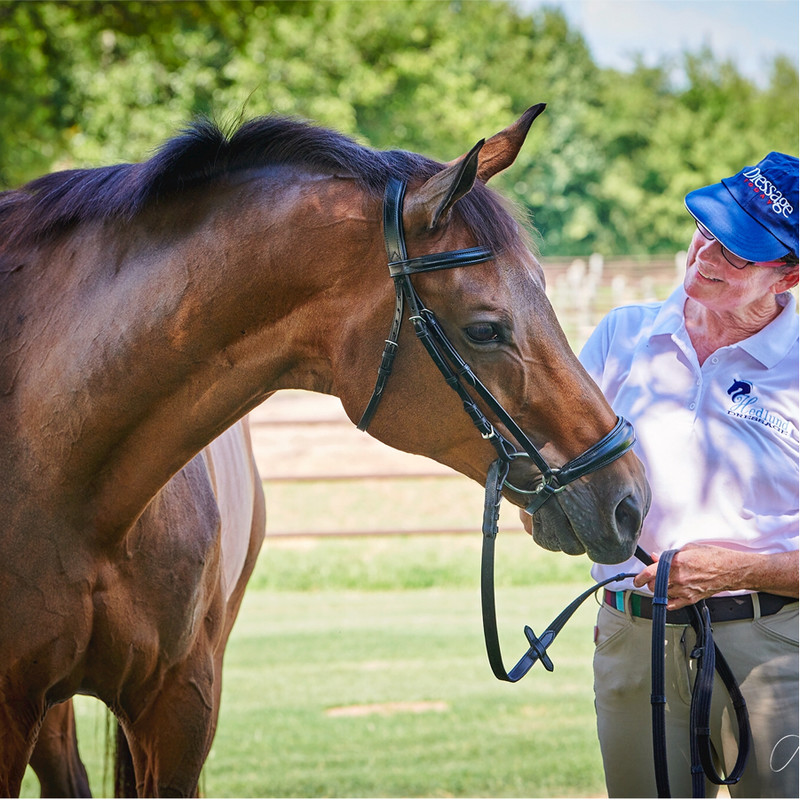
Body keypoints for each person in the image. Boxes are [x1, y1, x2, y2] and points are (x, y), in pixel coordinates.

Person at [579, 152, 799, 798]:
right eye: (706, 231)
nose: (706, 256)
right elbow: (559, 479)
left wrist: (736, 570)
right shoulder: (622, 337)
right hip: (632, 638)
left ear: (789, 274)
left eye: (738, 253)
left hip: (775, 648)